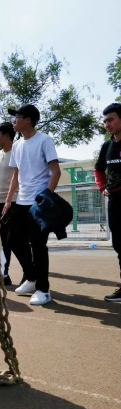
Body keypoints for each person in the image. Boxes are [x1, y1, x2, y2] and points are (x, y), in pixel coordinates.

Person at [4, 104, 61, 306]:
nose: (14, 121)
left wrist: (46, 197)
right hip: (21, 201)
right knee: (12, 239)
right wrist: (9, 200)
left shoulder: (44, 140)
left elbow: (56, 171)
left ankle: (43, 290)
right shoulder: (17, 145)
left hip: (39, 201)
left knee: (37, 245)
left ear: (28, 120)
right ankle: (31, 277)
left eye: (17, 117)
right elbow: (16, 175)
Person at [94, 103, 121, 302]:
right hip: (115, 200)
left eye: (110, 119)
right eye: (104, 121)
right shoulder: (107, 146)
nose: (107, 124)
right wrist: (102, 186)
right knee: (120, 244)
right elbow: (98, 169)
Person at [0, 122, 17, 286]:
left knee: (11, 240)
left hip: (13, 201)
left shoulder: (17, 152)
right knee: (0, 240)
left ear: (7, 135)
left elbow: (17, 177)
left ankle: (29, 274)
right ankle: (2, 272)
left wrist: (8, 200)